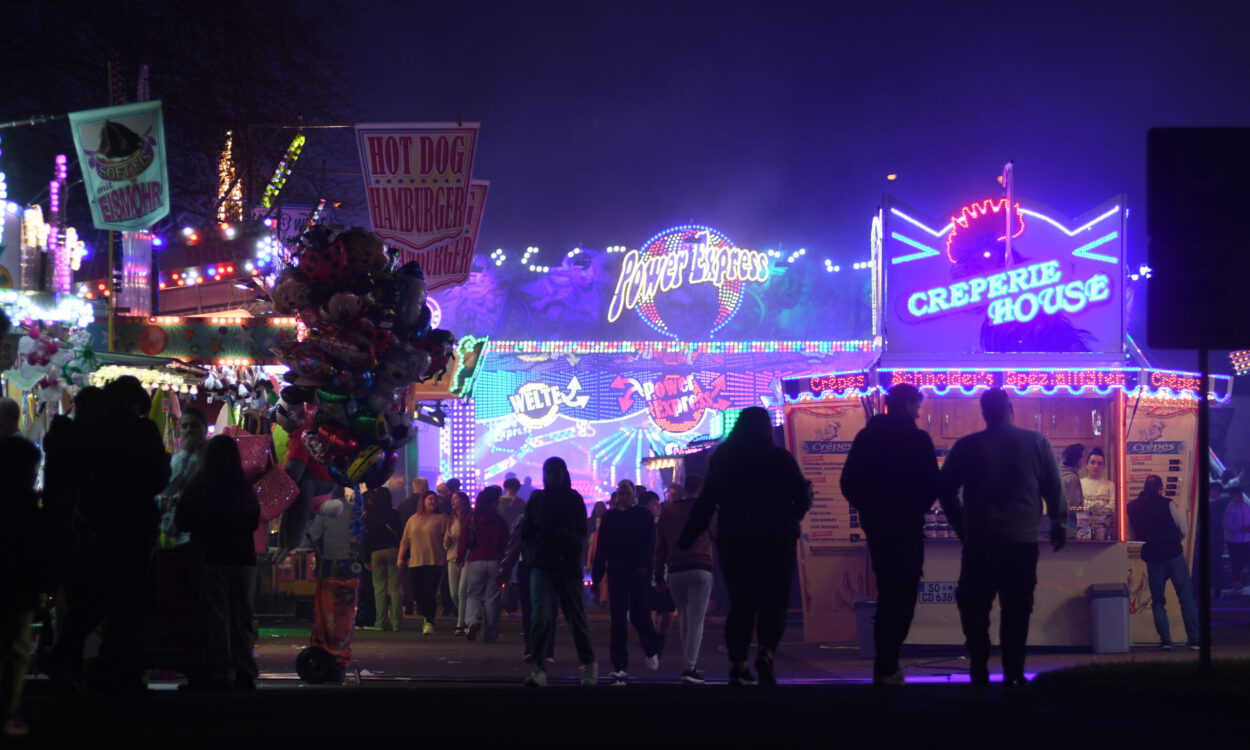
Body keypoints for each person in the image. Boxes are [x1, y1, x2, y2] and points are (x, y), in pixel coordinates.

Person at [939, 388, 1065, 687]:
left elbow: (944, 489)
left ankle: (979, 669)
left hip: (980, 543)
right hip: (1021, 542)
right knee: (1017, 610)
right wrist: (1060, 525)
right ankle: (1013, 673)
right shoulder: (1036, 442)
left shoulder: (967, 445)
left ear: (984, 412)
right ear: (1011, 408)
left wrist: (961, 526)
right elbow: (1054, 489)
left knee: (975, 609)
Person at [681, 406, 811, 687]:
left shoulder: (723, 460)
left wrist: (687, 537)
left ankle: (738, 663)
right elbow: (802, 495)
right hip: (776, 538)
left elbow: (706, 502)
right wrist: (792, 517)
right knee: (773, 601)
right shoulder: (780, 459)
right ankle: (766, 652)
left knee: (741, 603)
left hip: (736, 538)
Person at [840, 383, 940, 686]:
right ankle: (888, 661)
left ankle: (884, 663)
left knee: (886, 590)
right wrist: (915, 508)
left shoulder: (867, 437)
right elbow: (932, 485)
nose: (919, 413)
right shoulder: (918, 440)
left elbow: (848, 482)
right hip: (907, 526)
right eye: (917, 406)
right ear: (908, 405)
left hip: (878, 526)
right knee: (904, 594)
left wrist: (869, 508)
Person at [79, 376, 171, 695]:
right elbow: (159, 477)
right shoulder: (143, 430)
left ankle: (93, 661)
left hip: (101, 524)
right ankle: (122, 667)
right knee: (132, 599)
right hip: (136, 524)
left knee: (102, 593)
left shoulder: (94, 431)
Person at [175, 435, 261, 691]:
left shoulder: (199, 484)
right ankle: (245, 671)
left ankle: (222, 672)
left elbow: (182, 520)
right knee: (243, 616)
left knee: (217, 616)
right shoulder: (244, 486)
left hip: (212, 556)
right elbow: (253, 521)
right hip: (243, 558)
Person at [520, 457, 598, 687]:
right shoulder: (567, 500)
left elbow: (527, 533)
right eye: (549, 472)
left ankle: (539, 668)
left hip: (553, 562)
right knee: (566, 615)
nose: (551, 477)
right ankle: (585, 664)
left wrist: (535, 552)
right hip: (556, 562)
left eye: (554, 472)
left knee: (550, 615)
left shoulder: (543, 500)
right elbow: (580, 533)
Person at [593, 480, 662, 685]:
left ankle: (650, 649)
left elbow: (649, 543)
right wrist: (597, 576)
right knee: (618, 618)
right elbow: (602, 548)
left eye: (627, 493)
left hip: (635, 572)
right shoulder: (613, 517)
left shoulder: (639, 516)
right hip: (619, 572)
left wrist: (645, 567)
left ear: (632, 495)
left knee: (639, 614)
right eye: (621, 493)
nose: (624, 497)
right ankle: (620, 666)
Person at [0, 436, 45, 736]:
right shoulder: (27, 506)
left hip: (14, 586)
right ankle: (7, 713)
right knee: (15, 651)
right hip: (18, 590)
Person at [655, 476, 715, 684]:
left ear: (684, 490)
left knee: (684, 619)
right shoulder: (706, 509)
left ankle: (689, 663)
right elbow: (717, 532)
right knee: (696, 621)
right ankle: (690, 668)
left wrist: (658, 575)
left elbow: (660, 547)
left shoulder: (668, 513)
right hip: (700, 566)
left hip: (675, 570)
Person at [1128, 475, 1199, 649]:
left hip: (1153, 557)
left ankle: (1166, 641)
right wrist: (1173, 541)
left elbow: (1133, 535)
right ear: (1160, 489)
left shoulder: (1132, 506)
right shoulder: (1167, 503)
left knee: (1158, 601)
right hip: (1174, 554)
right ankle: (1195, 639)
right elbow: (1183, 529)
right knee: (1186, 598)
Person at [306, 492, 362, 680]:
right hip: (351, 570)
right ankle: (342, 656)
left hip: (330, 570)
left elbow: (313, 535)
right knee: (346, 616)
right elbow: (360, 536)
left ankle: (326, 652)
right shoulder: (354, 510)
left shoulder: (324, 512)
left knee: (327, 616)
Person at [458, 486, 509, 642]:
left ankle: (472, 622)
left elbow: (463, 538)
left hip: (475, 560)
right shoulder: (499, 521)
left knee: (473, 594)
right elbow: (505, 543)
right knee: (492, 597)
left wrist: (460, 557)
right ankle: (490, 632)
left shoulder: (471, 518)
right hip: (494, 561)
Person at [398, 491, 448, 633]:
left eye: (435, 499)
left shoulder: (442, 518)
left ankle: (429, 620)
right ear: (423, 501)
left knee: (430, 591)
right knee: (418, 592)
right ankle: (426, 614)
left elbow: (447, 537)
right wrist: (400, 557)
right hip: (416, 561)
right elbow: (405, 540)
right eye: (430, 499)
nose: (433, 502)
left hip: (435, 561)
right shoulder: (413, 519)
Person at [159, 407, 209, 547]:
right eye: (184, 426)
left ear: (204, 429)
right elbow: (167, 490)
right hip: (183, 533)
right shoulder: (178, 459)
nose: (189, 430)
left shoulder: (213, 455)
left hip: (208, 531)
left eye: (194, 425)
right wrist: (186, 453)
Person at [362, 488, 402, 631]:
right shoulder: (394, 514)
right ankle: (396, 623)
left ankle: (380, 622)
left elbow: (366, 538)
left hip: (376, 553)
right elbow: (400, 533)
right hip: (393, 551)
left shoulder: (369, 515)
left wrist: (366, 558)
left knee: (379, 589)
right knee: (395, 588)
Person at [445, 491, 471, 635]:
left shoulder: (469, 517)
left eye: (456, 498)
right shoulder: (451, 518)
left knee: (462, 591)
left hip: (467, 558)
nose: (453, 500)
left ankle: (460, 624)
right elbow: (445, 543)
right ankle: (469, 616)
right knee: (454, 593)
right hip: (452, 556)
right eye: (452, 498)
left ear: (463, 500)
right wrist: (447, 540)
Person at [1225, 487, 1250, 592]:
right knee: (1236, 561)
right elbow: (1227, 524)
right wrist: (1240, 529)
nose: (1239, 497)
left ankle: (1243, 580)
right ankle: (1236, 582)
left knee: (1245, 560)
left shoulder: (1247, 506)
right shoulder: (1230, 508)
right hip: (1233, 540)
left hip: (1246, 539)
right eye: (1237, 495)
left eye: (1240, 495)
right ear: (1233, 496)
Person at [1080, 448, 1114, 514]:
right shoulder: (1079, 484)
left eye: (1099, 464)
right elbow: (1077, 507)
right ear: (1087, 465)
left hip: (1105, 520)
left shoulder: (1110, 485)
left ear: (1103, 467)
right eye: (1092, 462)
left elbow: (1112, 508)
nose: (1096, 466)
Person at [1061, 444, 1086, 511]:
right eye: (1083, 457)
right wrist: (1087, 509)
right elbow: (1072, 507)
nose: (1084, 460)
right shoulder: (1072, 478)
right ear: (1076, 458)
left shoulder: (1060, 472)